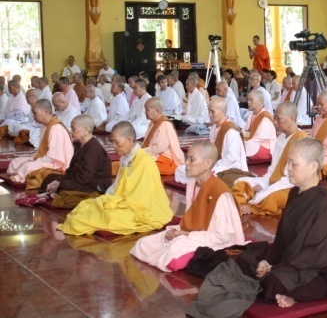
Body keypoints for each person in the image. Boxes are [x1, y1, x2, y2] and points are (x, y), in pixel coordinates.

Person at [237, 137, 327, 308]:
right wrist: (269, 261)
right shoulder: (294, 193)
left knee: (272, 283)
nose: (288, 169)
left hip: (321, 270)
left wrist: (278, 267)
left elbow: (316, 252)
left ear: (313, 166)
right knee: (244, 260)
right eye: (288, 163)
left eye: (294, 164)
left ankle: (295, 295)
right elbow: (282, 238)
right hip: (295, 260)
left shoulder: (325, 202)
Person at [130, 141, 244, 272]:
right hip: (193, 234)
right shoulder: (192, 184)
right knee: (143, 244)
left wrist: (186, 235)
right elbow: (192, 219)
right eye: (187, 158)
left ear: (207, 163)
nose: (187, 163)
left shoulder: (220, 193)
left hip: (218, 242)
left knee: (175, 248)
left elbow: (224, 236)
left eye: (192, 159)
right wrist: (176, 231)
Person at [57, 121, 173, 235]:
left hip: (141, 210)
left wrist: (114, 202)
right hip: (123, 200)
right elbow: (118, 185)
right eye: (112, 142)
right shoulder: (126, 158)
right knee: (86, 207)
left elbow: (140, 198)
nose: (114, 147)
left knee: (108, 217)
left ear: (129, 140)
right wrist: (107, 199)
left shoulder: (144, 161)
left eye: (117, 142)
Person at [232, 102, 306, 216]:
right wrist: (263, 184)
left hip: (292, 186)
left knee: (269, 198)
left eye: (279, 119)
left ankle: (253, 207)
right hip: (274, 181)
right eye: (274, 118)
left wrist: (267, 189)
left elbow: (295, 177)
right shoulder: (281, 137)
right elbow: (272, 168)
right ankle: (237, 204)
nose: (275, 123)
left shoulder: (301, 140)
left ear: (292, 118)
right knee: (241, 183)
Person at [40, 115, 112, 208]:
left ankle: (52, 194)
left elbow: (85, 178)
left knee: (64, 184)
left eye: (73, 128)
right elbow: (71, 170)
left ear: (85, 130)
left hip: (95, 186)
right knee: (50, 178)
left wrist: (61, 183)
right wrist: (59, 180)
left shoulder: (93, 148)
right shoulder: (79, 144)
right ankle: (48, 194)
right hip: (80, 180)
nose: (71, 131)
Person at [6, 99, 74, 185]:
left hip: (56, 164)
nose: (33, 116)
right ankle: (18, 174)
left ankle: (19, 178)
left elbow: (53, 157)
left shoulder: (55, 128)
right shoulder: (45, 126)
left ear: (46, 111)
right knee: (15, 162)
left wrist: (36, 161)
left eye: (35, 113)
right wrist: (36, 159)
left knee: (27, 166)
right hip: (46, 158)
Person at [142, 97, 184, 176]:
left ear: (157, 111)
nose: (145, 112)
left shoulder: (164, 124)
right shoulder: (152, 123)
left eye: (147, 109)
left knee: (141, 165)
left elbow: (160, 148)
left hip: (165, 159)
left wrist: (142, 152)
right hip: (154, 155)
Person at [207, 97, 247, 173]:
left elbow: (232, 157)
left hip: (231, 167)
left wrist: (215, 164)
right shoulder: (213, 128)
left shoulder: (231, 130)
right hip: (219, 164)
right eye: (208, 111)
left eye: (212, 112)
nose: (209, 114)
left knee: (205, 172)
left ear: (223, 111)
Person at [242, 90, 277, 162]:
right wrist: (243, 139)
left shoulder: (265, 117)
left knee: (244, 146)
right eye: (248, 100)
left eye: (251, 100)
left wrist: (246, 141)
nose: (248, 102)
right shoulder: (252, 115)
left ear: (260, 101)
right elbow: (247, 131)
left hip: (264, 147)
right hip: (253, 144)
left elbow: (261, 137)